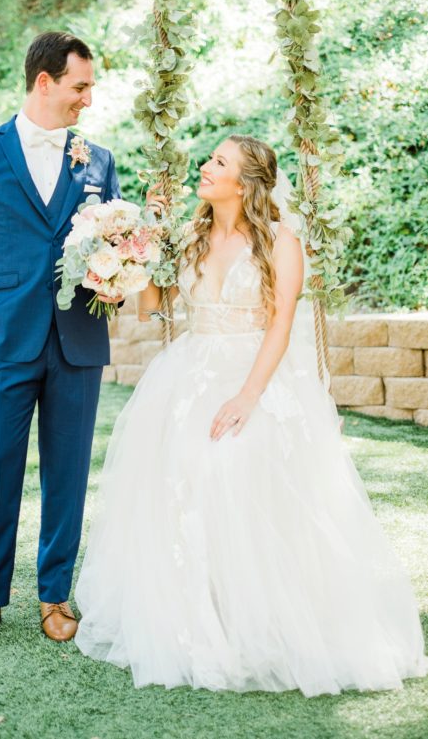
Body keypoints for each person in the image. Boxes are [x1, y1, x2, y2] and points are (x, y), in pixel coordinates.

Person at [74, 135, 427, 696]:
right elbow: (152, 309)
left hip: (254, 370)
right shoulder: (188, 236)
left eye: (219, 163)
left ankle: (260, 611)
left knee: (236, 464)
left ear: (245, 183)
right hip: (189, 370)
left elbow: (282, 325)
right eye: (210, 159)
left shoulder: (279, 242)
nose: (206, 167)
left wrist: (246, 397)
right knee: (179, 473)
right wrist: (138, 252)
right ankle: (198, 610)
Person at [0, 31, 122, 652]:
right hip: (0, 342)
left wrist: (120, 277)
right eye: (80, 87)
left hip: (77, 341)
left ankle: (54, 597)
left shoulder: (98, 160)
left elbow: (117, 243)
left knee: (67, 474)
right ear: (45, 82)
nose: (88, 100)